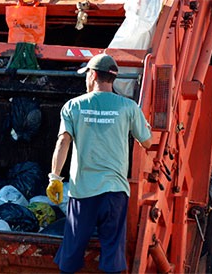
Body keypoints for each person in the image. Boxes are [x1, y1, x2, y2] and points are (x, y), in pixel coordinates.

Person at [46, 54, 152, 273]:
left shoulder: (73, 106)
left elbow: (63, 141)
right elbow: (147, 142)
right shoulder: (129, 107)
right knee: (112, 253)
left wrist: (55, 177)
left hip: (83, 191)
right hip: (115, 192)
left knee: (72, 250)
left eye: (86, 75)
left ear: (93, 75)